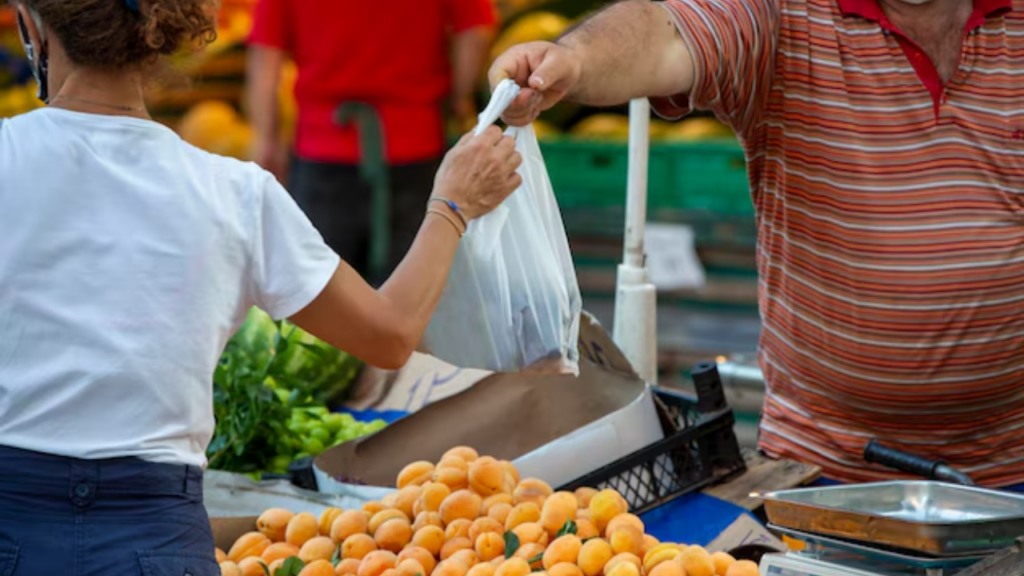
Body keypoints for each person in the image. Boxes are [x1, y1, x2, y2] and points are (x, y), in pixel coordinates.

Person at [0, 0, 520, 573]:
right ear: (160, 34)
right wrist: (452, 205)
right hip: (158, 539)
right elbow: (391, 334)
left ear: (32, 26)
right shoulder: (235, 193)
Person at [490, 0, 1024, 487]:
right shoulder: (783, 15)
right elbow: (666, 33)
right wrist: (573, 57)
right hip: (824, 470)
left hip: (1012, 464)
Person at [246, 0, 496, 281]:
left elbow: (266, 55)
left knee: (319, 300)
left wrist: (267, 137)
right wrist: (458, 98)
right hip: (415, 149)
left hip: (323, 151)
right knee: (413, 298)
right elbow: (475, 32)